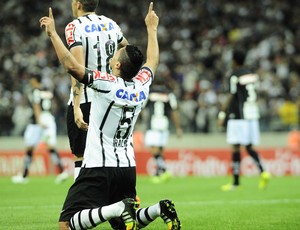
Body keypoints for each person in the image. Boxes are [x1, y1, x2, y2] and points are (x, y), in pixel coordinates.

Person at [40, 3, 181, 230]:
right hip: (127, 167)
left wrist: (53, 34)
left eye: (116, 52)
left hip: (99, 166)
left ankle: (117, 208)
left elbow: (72, 67)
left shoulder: (105, 85)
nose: (114, 51)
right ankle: (159, 209)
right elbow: (152, 61)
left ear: (116, 65)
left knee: (66, 224)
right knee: (123, 223)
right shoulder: (141, 86)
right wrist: (152, 30)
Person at [65, 0, 128, 180]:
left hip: (86, 97)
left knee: (81, 155)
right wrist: (116, 75)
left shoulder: (74, 27)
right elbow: (126, 48)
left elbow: (76, 68)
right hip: (110, 97)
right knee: (107, 152)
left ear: (78, 4)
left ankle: (81, 202)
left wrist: (76, 106)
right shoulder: (111, 24)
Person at [217, 48, 271, 191]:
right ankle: (263, 171)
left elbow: (230, 95)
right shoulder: (252, 74)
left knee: (235, 146)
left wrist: (222, 114)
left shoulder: (233, 75)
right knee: (248, 146)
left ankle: (235, 182)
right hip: (252, 114)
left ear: (233, 60)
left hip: (239, 115)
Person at [11, 74, 68, 184]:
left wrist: (39, 119)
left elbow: (36, 105)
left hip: (39, 121)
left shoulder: (35, 91)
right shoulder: (48, 90)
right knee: (50, 146)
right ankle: (62, 172)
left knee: (29, 147)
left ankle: (24, 176)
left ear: (34, 80)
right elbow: (55, 104)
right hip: (49, 118)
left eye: (31, 80)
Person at [144, 77, 182, 183]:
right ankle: (158, 173)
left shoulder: (149, 93)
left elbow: (141, 107)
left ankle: (164, 170)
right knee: (160, 149)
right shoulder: (169, 94)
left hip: (153, 123)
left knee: (154, 150)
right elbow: (174, 111)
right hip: (164, 124)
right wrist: (178, 127)